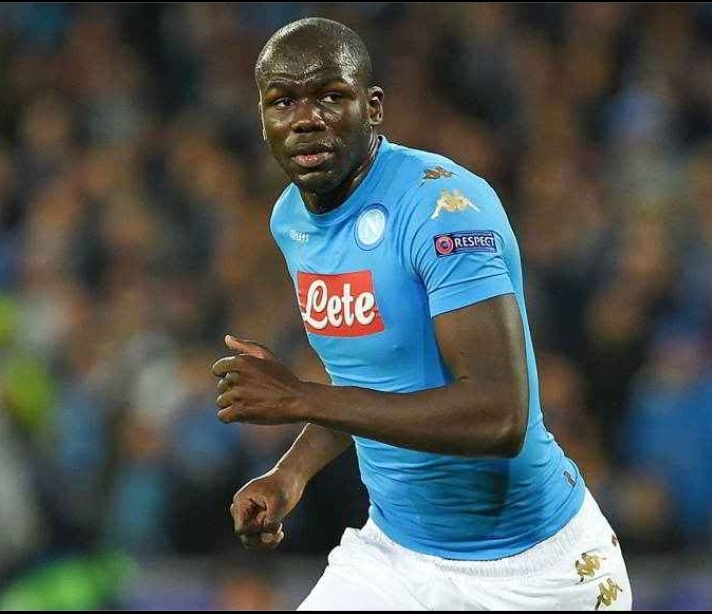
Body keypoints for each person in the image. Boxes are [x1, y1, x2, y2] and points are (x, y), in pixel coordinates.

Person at [212, 17, 632, 610]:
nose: (306, 119)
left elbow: (499, 418)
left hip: (537, 573)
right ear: (262, 118)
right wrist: (291, 473)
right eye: (283, 102)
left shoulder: (443, 209)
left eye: (330, 96)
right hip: (397, 557)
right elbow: (367, 381)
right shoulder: (292, 221)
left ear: (373, 107)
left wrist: (299, 398)